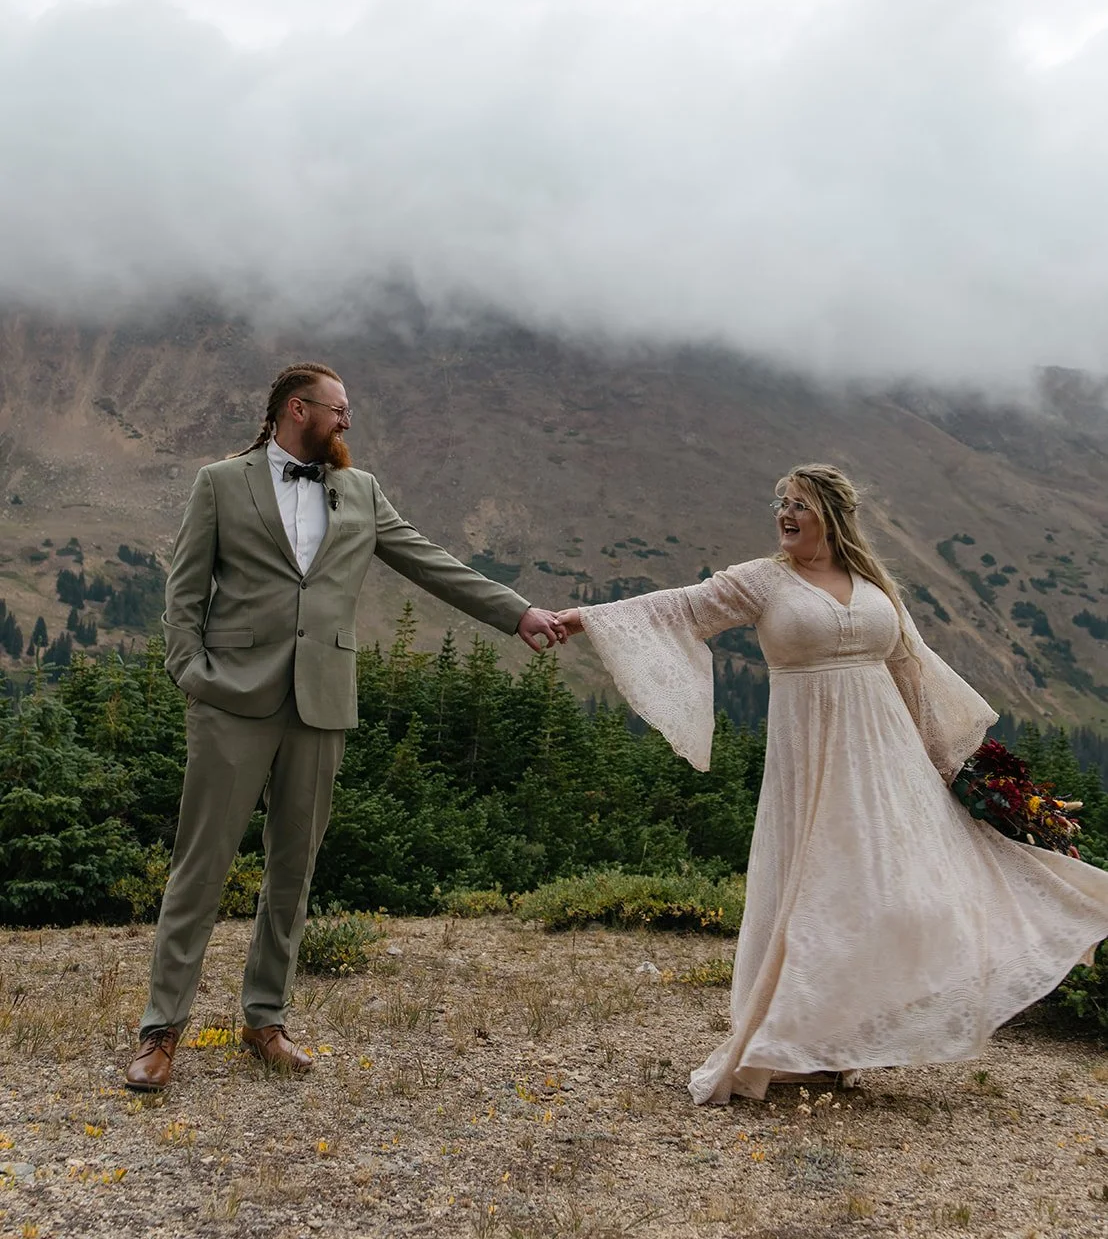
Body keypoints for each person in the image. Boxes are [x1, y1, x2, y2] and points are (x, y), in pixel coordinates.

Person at [555, 462, 1108, 1104]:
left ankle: (841, 1035)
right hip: (811, 759)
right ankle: (791, 1041)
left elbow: (910, 672)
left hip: (889, 760)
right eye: (781, 502)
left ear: (833, 516)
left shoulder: (874, 584)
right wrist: (583, 618)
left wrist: (952, 762)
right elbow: (680, 606)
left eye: (800, 505)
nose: (785, 514)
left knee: (897, 889)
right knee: (817, 888)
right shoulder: (761, 581)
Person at [125, 361, 564, 1092]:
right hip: (230, 698)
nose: (347, 422)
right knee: (200, 868)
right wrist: (190, 672)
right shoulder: (220, 484)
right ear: (297, 410)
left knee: (292, 870)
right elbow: (185, 589)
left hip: (322, 699)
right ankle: (159, 1031)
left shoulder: (359, 491)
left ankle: (265, 1020)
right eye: (338, 409)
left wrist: (517, 614)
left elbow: (429, 561)